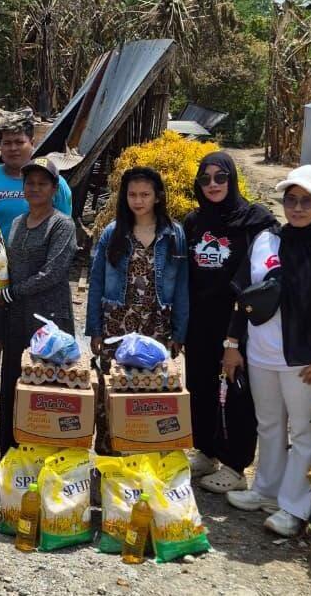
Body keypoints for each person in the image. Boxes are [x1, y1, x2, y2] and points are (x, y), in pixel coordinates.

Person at [225, 166, 311, 537]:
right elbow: (243, 297)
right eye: (291, 199)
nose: (298, 208)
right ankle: (266, 490)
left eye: (307, 201)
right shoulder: (265, 240)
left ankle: (294, 506)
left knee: (304, 434)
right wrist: (233, 345)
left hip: (306, 362)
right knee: (269, 426)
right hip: (260, 355)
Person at [0, 121, 72, 421]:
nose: (12, 148)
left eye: (19, 142)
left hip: (38, 293)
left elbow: (61, 237)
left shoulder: (59, 197)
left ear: (31, 143)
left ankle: (38, 420)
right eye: (7, 142)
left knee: (43, 356)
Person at [183, 152, 277, 493]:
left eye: (220, 177)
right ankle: (206, 451)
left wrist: (234, 338)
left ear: (232, 179)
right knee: (200, 387)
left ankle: (236, 465)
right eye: (205, 178)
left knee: (236, 393)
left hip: (238, 324)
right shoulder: (193, 222)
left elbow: (258, 279)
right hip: (200, 323)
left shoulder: (255, 221)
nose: (213, 185)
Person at [85, 167, 189, 455]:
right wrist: (94, 328)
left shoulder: (173, 234)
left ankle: (148, 454)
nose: (138, 200)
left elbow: (181, 286)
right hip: (117, 324)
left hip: (156, 324)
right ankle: (111, 459)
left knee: (150, 389)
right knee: (112, 389)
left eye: (145, 194)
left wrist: (179, 332)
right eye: (132, 194)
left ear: (157, 197)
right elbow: (96, 282)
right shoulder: (112, 232)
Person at [0, 157, 77, 455]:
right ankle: (11, 453)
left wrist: (8, 294)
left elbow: (53, 273)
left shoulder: (62, 225)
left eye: (43, 183)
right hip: (16, 317)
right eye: (30, 183)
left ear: (54, 188)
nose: (35, 188)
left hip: (49, 319)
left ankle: (48, 454)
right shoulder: (16, 223)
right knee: (14, 381)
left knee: (47, 385)